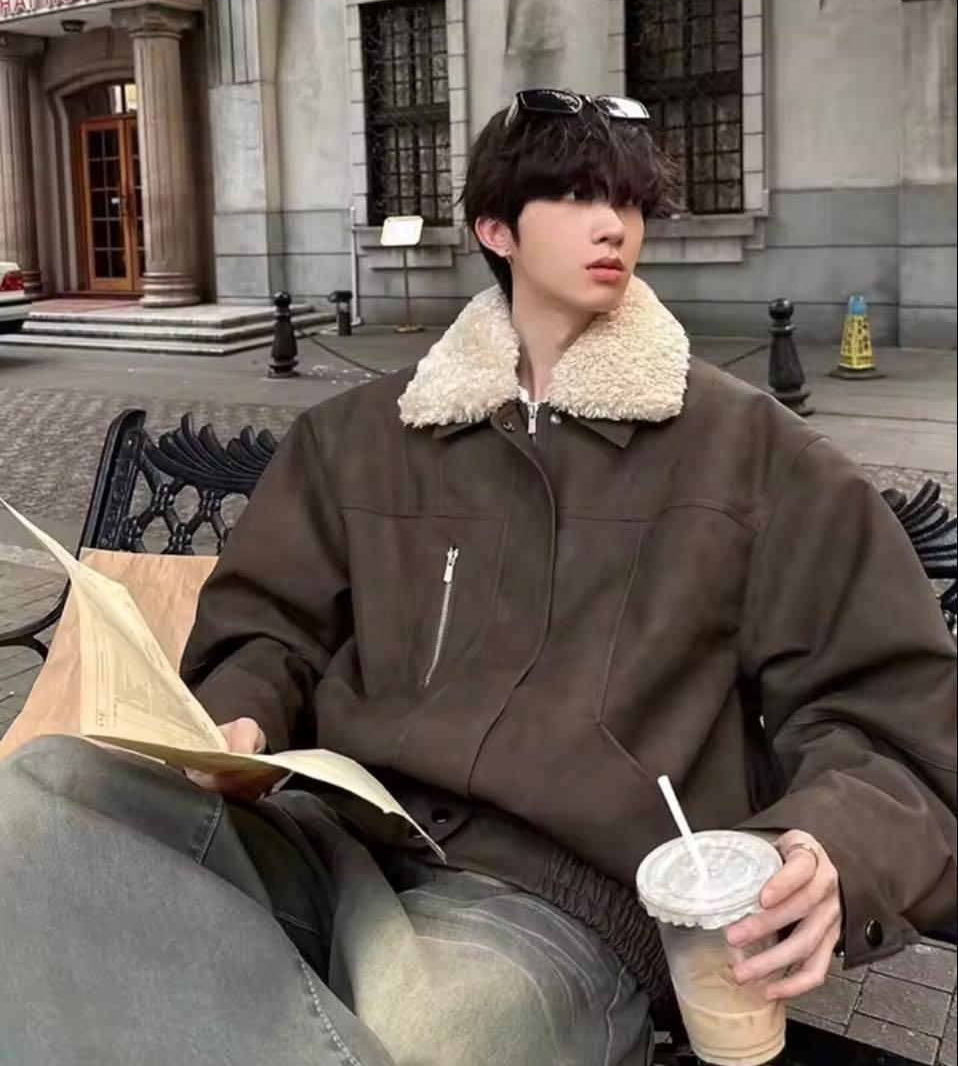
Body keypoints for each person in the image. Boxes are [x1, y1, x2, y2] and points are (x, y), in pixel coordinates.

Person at [1, 89, 955, 1066]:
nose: (613, 226)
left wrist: (830, 846)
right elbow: (268, 624)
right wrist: (241, 714)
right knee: (42, 797)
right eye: (576, 196)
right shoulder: (359, 438)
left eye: (629, 202)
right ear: (495, 228)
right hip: (327, 834)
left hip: (563, 899)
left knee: (441, 1038)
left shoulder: (754, 457)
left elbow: (890, 719)